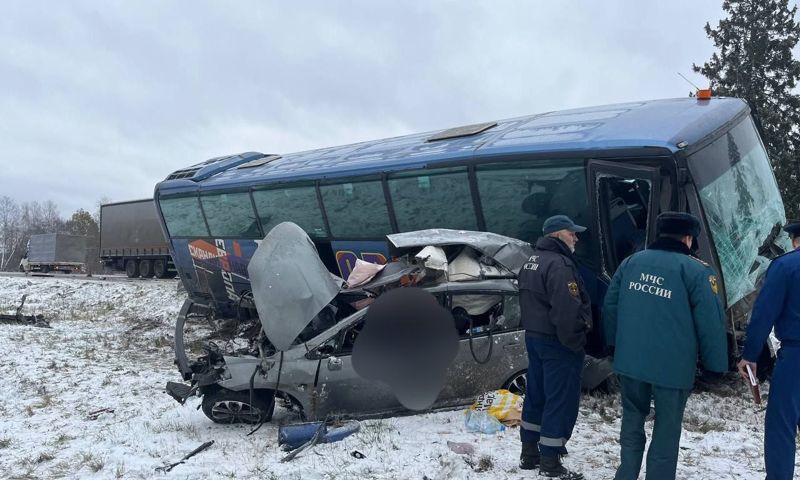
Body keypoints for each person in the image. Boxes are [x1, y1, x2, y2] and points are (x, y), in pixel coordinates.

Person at [603, 212, 728, 480]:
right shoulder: (697, 271)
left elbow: (610, 307)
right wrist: (715, 366)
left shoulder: (630, 263)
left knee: (632, 420)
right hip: (672, 369)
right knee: (667, 429)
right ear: (688, 238)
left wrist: (613, 346)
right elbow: (711, 323)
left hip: (631, 362)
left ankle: (626, 474)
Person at [518, 214, 591, 479]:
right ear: (558, 234)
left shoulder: (531, 261)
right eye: (572, 233)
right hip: (558, 342)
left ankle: (529, 453)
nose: (576, 237)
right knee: (560, 399)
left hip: (535, 337)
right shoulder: (560, 265)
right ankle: (551, 460)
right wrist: (575, 342)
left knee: (536, 394)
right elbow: (567, 309)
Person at [737, 221, 800, 480]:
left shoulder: (786, 266)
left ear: (795, 240)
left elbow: (764, 313)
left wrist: (750, 355)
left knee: (781, 425)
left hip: (796, 357)